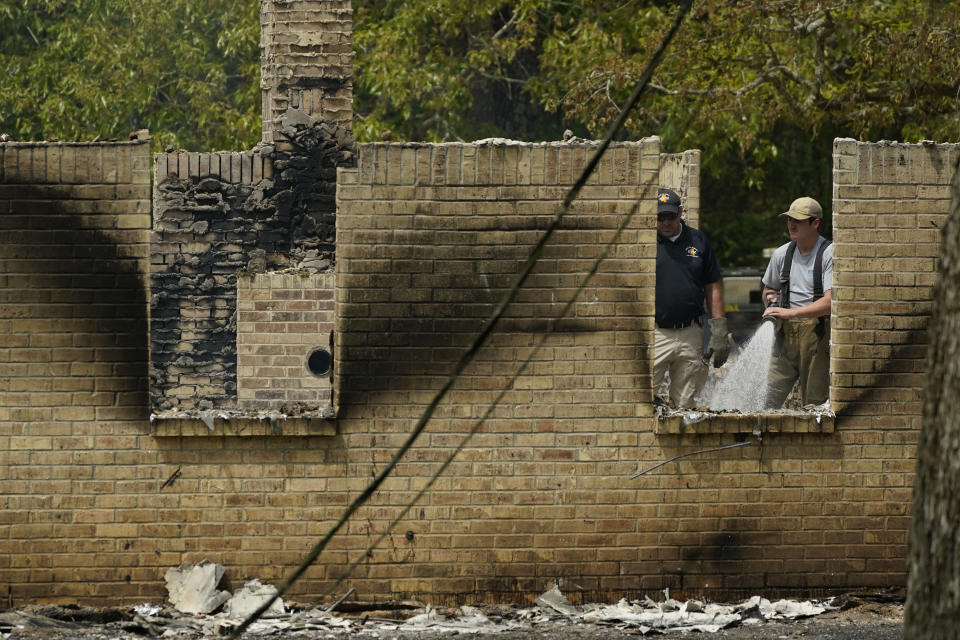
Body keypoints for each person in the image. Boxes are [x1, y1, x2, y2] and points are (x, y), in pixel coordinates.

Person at [654, 188, 728, 407]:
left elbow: (712, 285)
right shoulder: (645, 242)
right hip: (656, 332)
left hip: (690, 333)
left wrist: (719, 329)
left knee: (684, 402)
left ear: (680, 212)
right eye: (660, 217)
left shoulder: (698, 240)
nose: (665, 222)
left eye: (670, 216)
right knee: (640, 396)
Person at [760, 196, 833, 408]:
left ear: (815, 223)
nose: (791, 224)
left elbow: (830, 302)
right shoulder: (782, 253)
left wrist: (790, 312)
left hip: (817, 334)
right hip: (784, 336)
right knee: (764, 400)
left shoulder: (829, 253)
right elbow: (769, 288)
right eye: (789, 219)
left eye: (798, 220)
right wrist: (771, 302)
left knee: (815, 406)